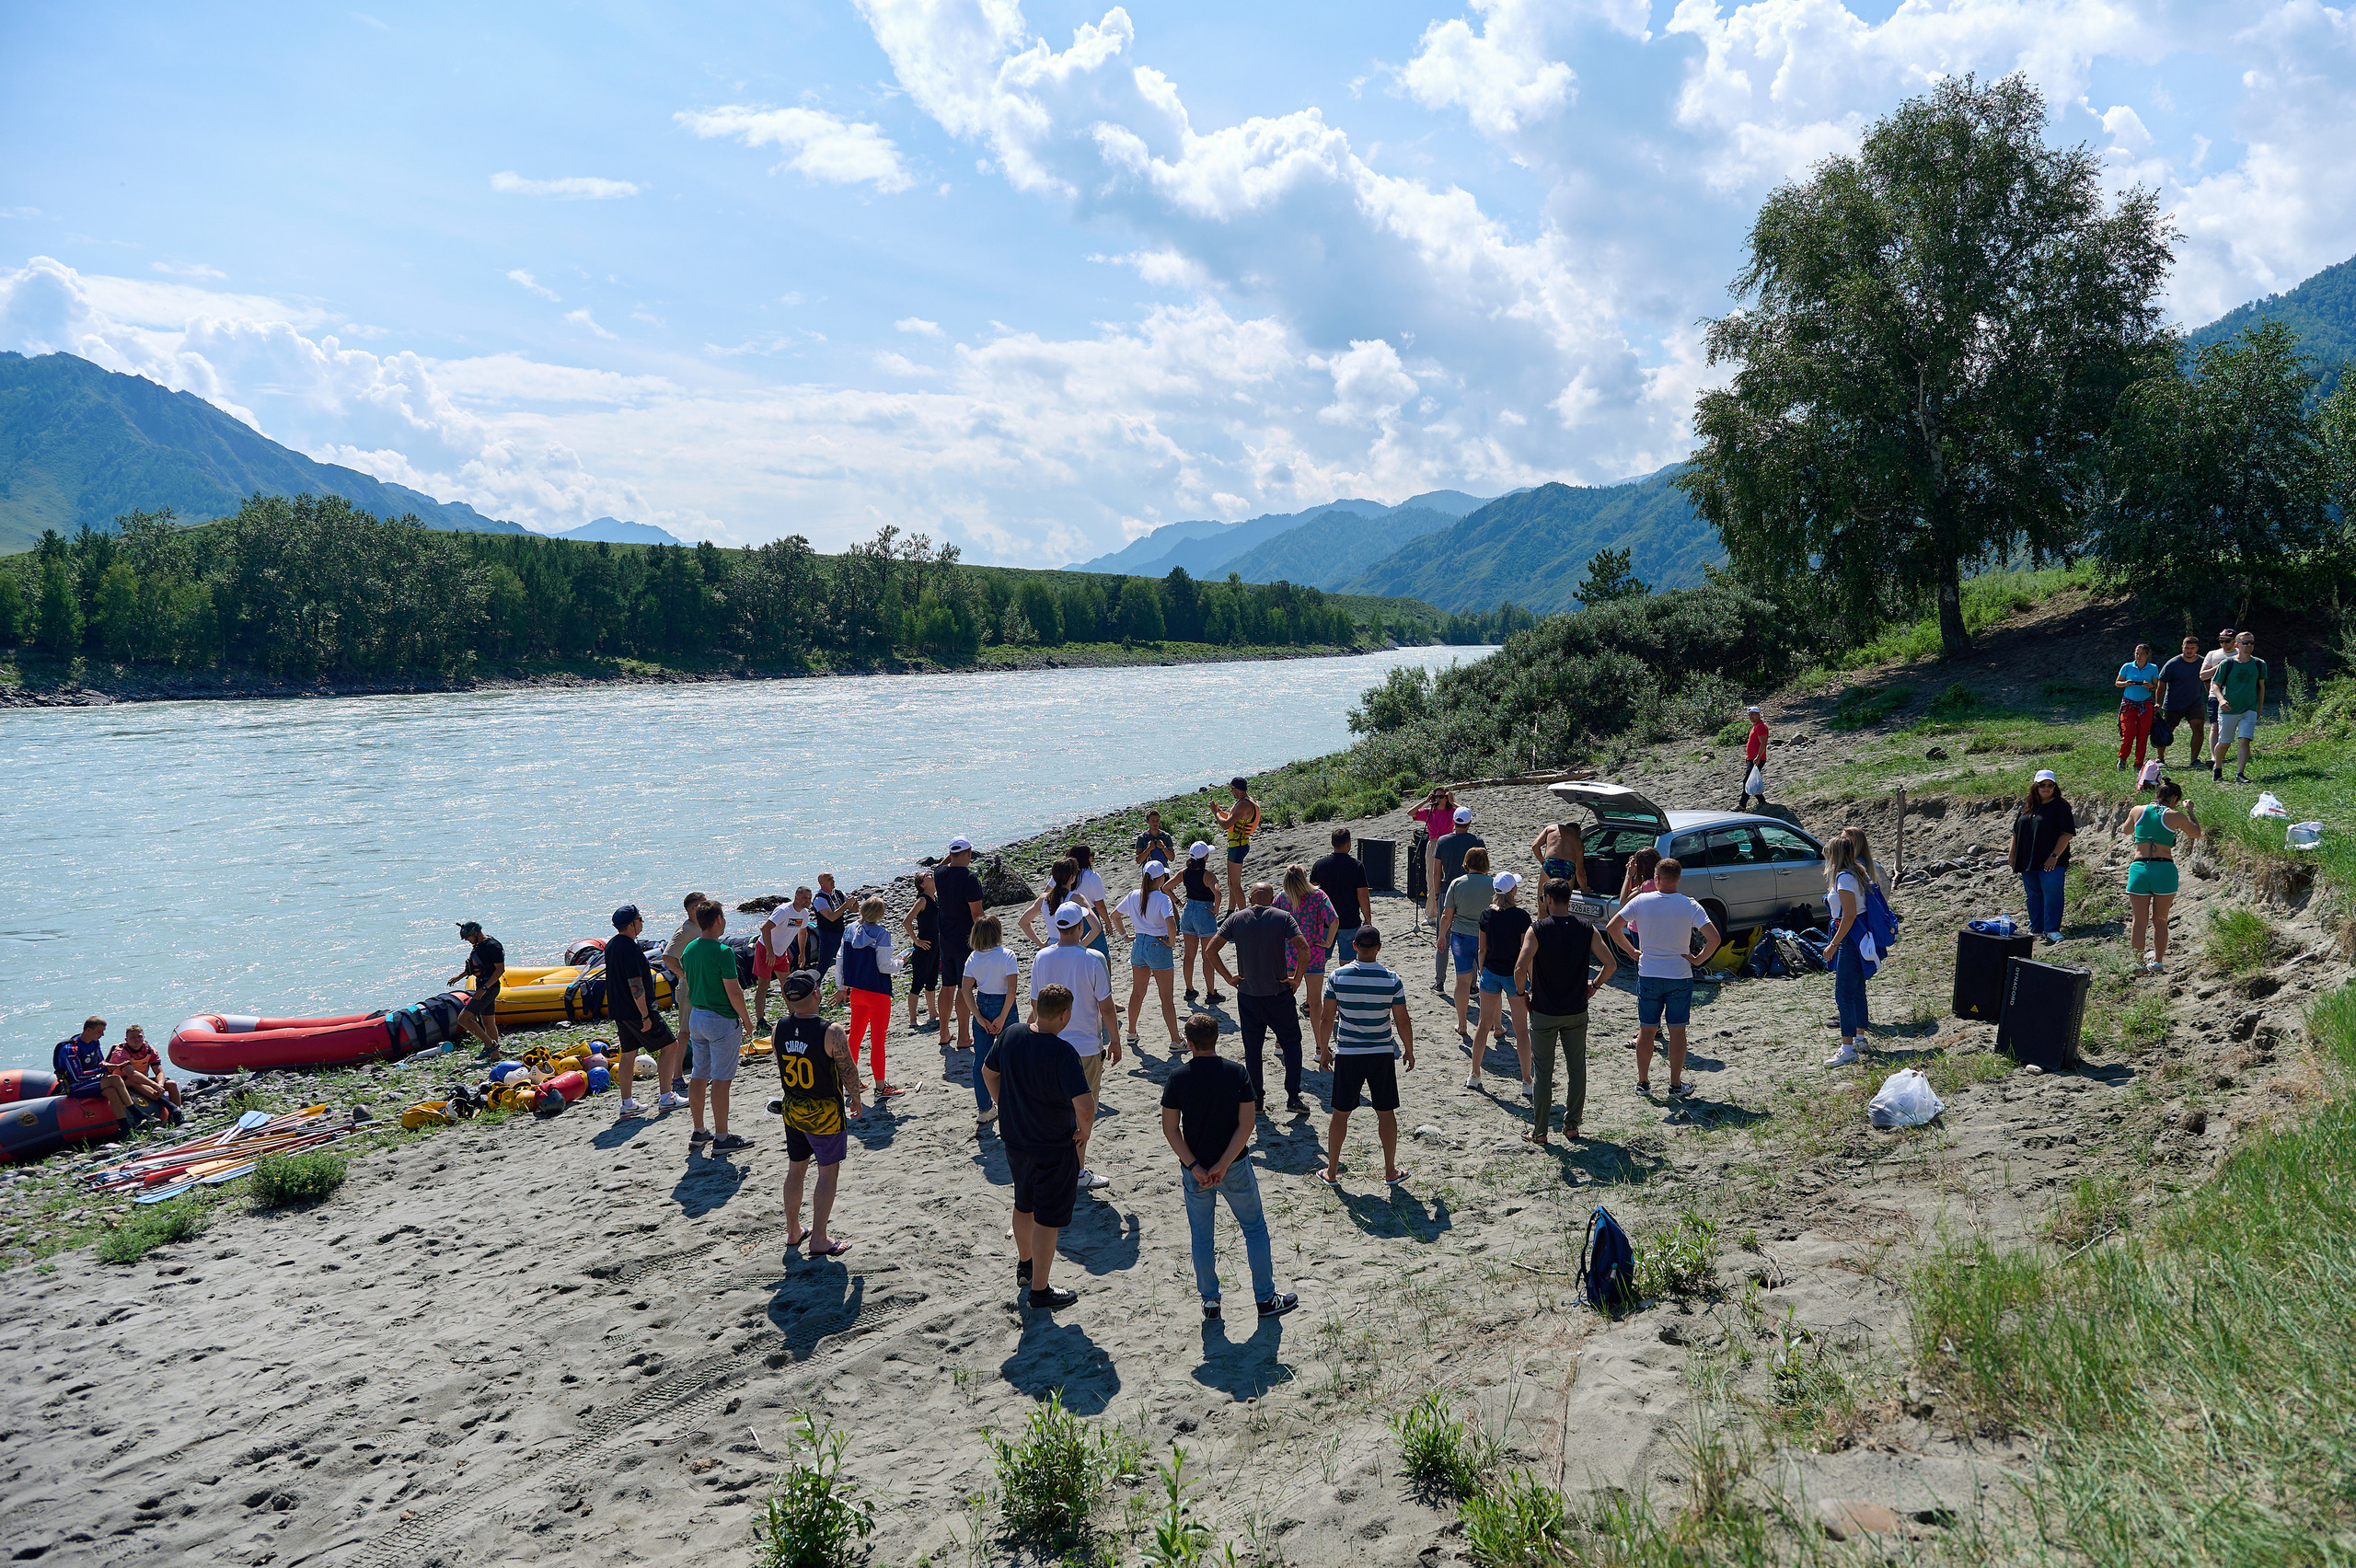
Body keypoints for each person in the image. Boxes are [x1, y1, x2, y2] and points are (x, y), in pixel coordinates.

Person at [1162, 1012, 1298, 1320]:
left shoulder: (1178, 1078)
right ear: (1217, 1038)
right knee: (1254, 1229)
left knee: (1202, 1235)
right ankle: (1265, 1299)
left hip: (1194, 1168)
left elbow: (1171, 1129)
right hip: (1234, 1165)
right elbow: (1246, 1124)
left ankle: (1210, 1302)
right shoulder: (1236, 1073)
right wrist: (1223, 1164)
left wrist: (1195, 1166)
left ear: (1189, 1043)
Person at [983, 985, 1092, 1312]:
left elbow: (989, 1073)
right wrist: (1082, 1133)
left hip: (1016, 1139)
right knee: (1048, 1217)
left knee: (1023, 1202)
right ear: (1063, 1014)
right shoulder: (1063, 1052)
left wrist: (1005, 1103)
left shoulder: (1012, 1035)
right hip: (1053, 1145)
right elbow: (1085, 1107)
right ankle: (1040, 1291)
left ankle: (1025, 1264)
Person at [1605, 859, 1718, 1098]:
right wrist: (1698, 959)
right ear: (1678, 879)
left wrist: (1630, 951)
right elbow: (1714, 938)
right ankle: (1675, 1085)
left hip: (1649, 973)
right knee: (1677, 1032)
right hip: (1679, 975)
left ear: (1656, 878)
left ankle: (1643, 1083)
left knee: (1647, 1031)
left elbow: (1612, 927)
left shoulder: (1641, 901)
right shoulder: (1690, 905)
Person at [1516, 879, 1614, 1144]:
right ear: (1568, 899)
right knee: (1576, 1068)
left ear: (1548, 899)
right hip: (1576, 1009)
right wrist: (1594, 985)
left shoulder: (1537, 930)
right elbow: (1610, 964)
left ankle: (1540, 1132)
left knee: (1543, 1072)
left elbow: (1519, 968)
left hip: (1545, 1011)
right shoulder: (1587, 929)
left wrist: (1522, 994)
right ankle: (1571, 1125)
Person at [1030, 903, 1120, 1191]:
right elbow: (1106, 1007)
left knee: (1055, 1109)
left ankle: (1057, 1167)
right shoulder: (1093, 958)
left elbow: (1035, 1004)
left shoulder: (1041, 957)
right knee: (1084, 1111)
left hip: (1048, 1044)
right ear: (1080, 926)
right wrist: (1115, 1040)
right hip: (1085, 1047)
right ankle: (1078, 1171)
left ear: (1058, 927)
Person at [772, 970, 860, 1261]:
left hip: (794, 1109)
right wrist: (856, 1097)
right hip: (824, 1114)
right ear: (817, 995)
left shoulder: (779, 1028)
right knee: (827, 1172)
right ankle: (820, 1238)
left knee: (796, 1168)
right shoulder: (831, 1031)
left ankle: (793, 1230)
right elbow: (847, 1070)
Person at [1315, 929, 1414, 1186]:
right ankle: (1390, 1171)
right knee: (1385, 1112)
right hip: (1380, 1053)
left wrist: (1323, 1048)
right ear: (1379, 947)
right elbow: (1402, 1021)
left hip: (1348, 1053)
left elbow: (1327, 1018)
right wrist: (1409, 1049)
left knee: (1340, 1114)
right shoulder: (1391, 979)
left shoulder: (1337, 977)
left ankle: (1332, 1171)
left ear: (1355, 945)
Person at [1204, 883, 1308, 1114]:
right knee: (1291, 1044)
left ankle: (1257, 1100)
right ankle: (1293, 1096)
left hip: (1249, 995)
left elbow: (1210, 951)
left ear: (1250, 898)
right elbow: (1304, 948)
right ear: (1272, 898)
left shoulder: (1235, 919)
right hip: (1278, 994)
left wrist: (1229, 977)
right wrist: (1297, 978)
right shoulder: (1283, 917)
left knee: (1253, 1050)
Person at [680, 902, 756, 1151]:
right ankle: (722, 1137)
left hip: (697, 1016)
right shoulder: (724, 951)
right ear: (718, 920)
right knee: (721, 1080)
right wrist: (746, 1019)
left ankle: (699, 1130)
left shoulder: (690, 949)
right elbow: (734, 992)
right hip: (720, 1019)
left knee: (699, 1074)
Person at [603, 905, 676, 1117]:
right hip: (636, 1010)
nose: (642, 922)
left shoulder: (612, 945)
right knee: (671, 1046)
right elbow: (636, 985)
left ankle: (627, 1103)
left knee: (628, 1053)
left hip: (619, 1010)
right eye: (640, 919)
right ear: (631, 925)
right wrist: (645, 1014)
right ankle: (666, 1097)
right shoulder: (630, 948)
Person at [2127, 778, 2202, 973]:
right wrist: (2190, 811)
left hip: (2140, 868)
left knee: (2139, 921)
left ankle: (2137, 962)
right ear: (2175, 798)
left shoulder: (2137, 810)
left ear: (2156, 795)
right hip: (2164, 870)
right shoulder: (2175, 815)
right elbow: (2196, 834)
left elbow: (2126, 829)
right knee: (2160, 920)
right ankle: (2158, 962)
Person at [1472, 871, 1533, 1095]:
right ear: (1512, 891)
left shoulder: (1486, 915)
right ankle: (1527, 1081)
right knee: (1520, 1030)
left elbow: (1482, 949)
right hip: (1513, 974)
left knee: (1483, 1024)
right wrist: (1531, 981)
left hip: (1490, 971)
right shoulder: (1521, 917)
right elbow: (1525, 953)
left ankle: (1475, 1074)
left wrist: (1482, 970)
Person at [839, 896, 907, 1099]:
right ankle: (880, 1088)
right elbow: (884, 966)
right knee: (878, 1041)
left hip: (856, 991)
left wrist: (842, 986)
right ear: (880, 914)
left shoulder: (850, 929)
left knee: (855, 1038)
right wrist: (901, 962)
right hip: (877, 992)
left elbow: (841, 960)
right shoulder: (882, 934)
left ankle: (850, 1083)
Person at [1114, 860, 1184, 1051]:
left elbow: (1115, 915)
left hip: (1139, 945)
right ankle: (1176, 1040)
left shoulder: (1134, 895)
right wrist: (1171, 941)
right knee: (1166, 996)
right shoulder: (1162, 899)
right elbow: (1171, 923)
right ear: (1160, 879)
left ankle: (1131, 1031)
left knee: (1137, 992)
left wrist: (1125, 936)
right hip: (1157, 946)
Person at [960, 915, 1020, 1129]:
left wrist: (978, 1016)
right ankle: (1012, 1104)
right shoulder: (1007, 955)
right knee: (1011, 1057)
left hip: (983, 1001)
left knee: (981, 1061)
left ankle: (985, 1109)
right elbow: (1012, 989)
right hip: (1004, 1004)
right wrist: (1003, 1016)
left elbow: (965, 990)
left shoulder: (973, 958)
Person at [1822, 838, 1875, 1067]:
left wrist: (1833, 944)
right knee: (1857, 990)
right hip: (1861, 936)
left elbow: (1849, 915)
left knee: (1843, 993)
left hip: (1850, 939)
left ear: (1835, 856)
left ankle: (1847, 1048)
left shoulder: (1844, 878)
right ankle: (1860, 1039)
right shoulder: (1860, 872)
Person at [933, 837, 988, 1055]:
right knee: (964, 988)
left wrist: (952, 855)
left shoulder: (940, 874)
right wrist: (987, 938)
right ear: (969, 853)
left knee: (946, 986)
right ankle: (964, 1037)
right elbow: (977, 913)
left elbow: (941, 865)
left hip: (945, 939)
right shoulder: (969, 878)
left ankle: (944, 1032)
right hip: (965, 940)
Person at [1275, 863, 1337, 1052]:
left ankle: (1280, 1042)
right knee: (1315, 1003)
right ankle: (1320, 1047)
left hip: (1288, 954)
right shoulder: (1318, 896)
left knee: (1284, 1000)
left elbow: (1273, 920)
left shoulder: (1281, 898)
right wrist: (1327, 942)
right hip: (1313, 955)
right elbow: (1334, 920)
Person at [2009, 770, 2076, 944]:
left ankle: (2052, 929)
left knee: (2052, 893)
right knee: (2033, 895)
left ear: (2055, 787)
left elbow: (2066, 834)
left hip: (2051, 861)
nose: (2046, 788)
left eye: (2050, 785)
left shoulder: (2060, 806)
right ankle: (2036, 929)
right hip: (2028, 860)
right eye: (2042, 785)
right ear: (2035, 787)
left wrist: (2054, 856)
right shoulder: (2027, 805)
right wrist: (2012, 854)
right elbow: (2016, 832)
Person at [1436, 846, 1496, 1040]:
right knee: (1490, 979)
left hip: (1460, 936)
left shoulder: (1457, 883)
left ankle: (1462, 1024)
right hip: (1485, 937)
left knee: (1462, 981)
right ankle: (1497, 1024)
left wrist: (1442, 935)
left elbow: (1447, 915)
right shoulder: (1493, 884)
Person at [1427, 808, 1485, 995]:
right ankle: (1472, 985)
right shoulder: (1477, 841)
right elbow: (1484, 867)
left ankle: (1439, 982)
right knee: (1473, 936)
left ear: (1453, 822)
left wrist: (1437, 895)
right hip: (1472, 890)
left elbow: (1437, 871)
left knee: (1443, 936)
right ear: (1469, 823)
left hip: (1448, 890)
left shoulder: (1443, 841)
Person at [655, 892, 702, 1109]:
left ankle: (702, 1069)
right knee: (685, 1032)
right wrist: (683, 974)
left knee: (702, 1027)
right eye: (702, 905)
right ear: (693, 909)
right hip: (688, 987)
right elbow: (667, 956)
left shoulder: (702, 926)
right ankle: (676, 1076)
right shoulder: (685, 930)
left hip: (703, 985)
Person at [2210, 630, 2267, 785]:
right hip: (2228, 710)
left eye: (2251, 643)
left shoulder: (2259, 664)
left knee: (2244, 741)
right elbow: (2216, 685)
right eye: (2245, 643)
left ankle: (2240, 773)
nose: (2249, 645)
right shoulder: (2227, 664)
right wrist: (2221, 700)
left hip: (2249, 709)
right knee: (2224, 742)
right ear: (2237, 645)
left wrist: (2259, 708)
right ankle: (2218, 767)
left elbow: (2261, 688)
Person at [52, 1018, 135, 1123]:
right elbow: (78, 1077)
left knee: (111, 1092)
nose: (102, 1035)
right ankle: (137, 1113)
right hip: (75, 1087)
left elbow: (101, 1062)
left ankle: (125, 1129)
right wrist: (103, 1070)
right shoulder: (70, 1049)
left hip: (89, 1082)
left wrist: (110, 1065)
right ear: (88, 1030)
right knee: (115, 1079)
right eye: (99, 1032)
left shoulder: (94, 1043)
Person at [1311, 828, 1372, 964]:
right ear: (1349, 844)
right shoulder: (1356, 866)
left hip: (1324, 922)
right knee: (1348, 962)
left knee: (1320, 961)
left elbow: (1312, 895)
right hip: (1349, 921)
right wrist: (1367, 918)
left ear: (1332, 843)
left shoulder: (1319, 865)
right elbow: (1363, 896)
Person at [755, 890, 814, 1030]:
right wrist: (769, 952)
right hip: (765, 948)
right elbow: (765, 929)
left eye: (809, 898)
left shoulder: (804, 913)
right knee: (763, 985)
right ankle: (760, 1020)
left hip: (781, 952)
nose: (807, 901)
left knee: (787, 984)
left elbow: (802, 932)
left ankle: (793, 1014)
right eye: (804, 898)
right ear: (796, 897)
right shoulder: (783, 911)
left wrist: (802, 953)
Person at [448, 920, 506, 1053]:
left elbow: (500, 970)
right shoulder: (479, 945)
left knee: (463, 1019)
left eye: (468, 937)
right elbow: (476, 965)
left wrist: (484, 989)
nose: (467, 940)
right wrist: (460, 976)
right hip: (482, 985)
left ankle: (489, 1045)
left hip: (489, 988)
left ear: (475, 933)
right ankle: (495, 1055)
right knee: (488, 1023)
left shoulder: (492, 946)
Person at [1178, 842, 1225, 1005]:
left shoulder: (1184, 872)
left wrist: (1178, 902)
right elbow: (1217, 893)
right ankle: (1211, 992)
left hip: (1189, 910)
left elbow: (1166, 887)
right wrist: (1216, 909)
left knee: (1189, 955)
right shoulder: (1208, 875)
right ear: (1205, 857)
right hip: (1204, 912)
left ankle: (1189, 989)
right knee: (1207, 956)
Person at [1018, 858, 1099, 951]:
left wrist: (1041, 944)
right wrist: (1081, 946)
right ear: (1072, 878)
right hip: (1072, 945)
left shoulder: (1044, 898)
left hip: (1051, 946)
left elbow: (1023, 922)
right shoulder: (1077, 899)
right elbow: (1096, 927)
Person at [2153, 635, 2208, 771]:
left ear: (2197, 649)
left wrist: (2214, 698)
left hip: (2195, 703)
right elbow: (2162, 683)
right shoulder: (2172, 664)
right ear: (2182, 647)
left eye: (2192, 648)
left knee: (2199, 727)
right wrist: (2158, 703)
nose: (2189, 651)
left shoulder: (2203, 663)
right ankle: (2160, 758)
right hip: (2173, 704)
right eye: (2187, 648)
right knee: (2166, 730)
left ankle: (2194, 760)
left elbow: (2208, 681)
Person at [106, 1024, 180, 1116]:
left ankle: (177, 1114)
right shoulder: (120, 1052)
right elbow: (131, 1074)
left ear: (143, 1037)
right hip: (122, 1082)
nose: (137, 1040)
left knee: (171, 1084)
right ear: (126, 1040)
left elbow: (159, 1071)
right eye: (132, 1037)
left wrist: (160, 1085)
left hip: (142, 1080)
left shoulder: (149, 1050)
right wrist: (155, 1086)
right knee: (133, 1081)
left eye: (139, 1036)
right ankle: (170, 1107)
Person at [1211, 776, 1262, 907]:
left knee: (1235, 885)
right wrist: (1218, 811)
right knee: (1231, 882)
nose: (1231, 792)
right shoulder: (1245, 801)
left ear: (1236, 789)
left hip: (1238, 846)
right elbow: (1231, 818)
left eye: (1231, 789)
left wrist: (1215, 813)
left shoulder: (1244, 804)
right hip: (1238, 845)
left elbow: (1225, 824)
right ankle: (1230, 911)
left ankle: (1243, 913)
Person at [900, 871, 941, 1035]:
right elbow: (906, 921)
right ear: (922, 884)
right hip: (923, 948)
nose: (931, 875)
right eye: (927, 876)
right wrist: (916, 941)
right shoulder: (922, 900)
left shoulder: (935, 899)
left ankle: (933, 1014)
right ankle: (912, 1019)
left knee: (932, 982)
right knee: (917, 983)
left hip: (935, 947)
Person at [2116, 641, 2161, 772]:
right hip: (2129, 704)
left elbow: (2156, 686)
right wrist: (2126, 683)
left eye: (2142, 654)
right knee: (2129, 732)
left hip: (2145, 704)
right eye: (2137, 653)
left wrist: (2150, 686)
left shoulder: (2153, 668)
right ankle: (2123, 759)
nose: (2138, 656)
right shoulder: (2127, 667)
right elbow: (2117, 683)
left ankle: (2138, 764)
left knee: (2143, 734)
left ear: (2147, 655)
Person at [1069, 844, 1114, 969]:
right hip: (1090, 915)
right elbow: (1099, 904)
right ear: (1086, 858)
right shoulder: (1092, 876)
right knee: (1102, 955)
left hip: (1070, 916)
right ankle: (1106, 985)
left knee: (1078, 955)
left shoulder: (1067, 875)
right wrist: (1107, 922)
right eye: (1092, 855)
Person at [810, 873, 849, 993]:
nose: (832, 881)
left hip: (840, 932)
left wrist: (853, 903)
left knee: (847, 959)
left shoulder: (838, 893)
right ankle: (813, 988)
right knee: (824, 963)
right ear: (821, 883)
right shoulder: (819, 899)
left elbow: (853, 909)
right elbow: (831, 917)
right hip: (827, 935)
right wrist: (846, 906)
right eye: (829, 880)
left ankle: (846, 987)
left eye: (832, 879)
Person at [2199, 627, 2236, 755]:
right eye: (2221, 641)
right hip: (2215, 695)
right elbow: (2202, 675)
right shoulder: (2212, 654)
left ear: (2234, 641)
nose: (2224, 644)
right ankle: (2214, 757)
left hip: (2235, 695)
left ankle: (2224, 753)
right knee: (2214, 726)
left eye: (2227, 641)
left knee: (2229, 727)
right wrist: (2219, 667)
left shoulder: (2240, 654)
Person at [1528, 819, 1588, 894]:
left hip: (1551, 863)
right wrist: (1585, 889)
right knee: (1563, 903)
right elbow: (1580, 872)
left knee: (1543, 902)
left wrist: (1543, 862)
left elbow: (1535, 846)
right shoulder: (1578, 841)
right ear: (1578, 831)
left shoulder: (1551, 828)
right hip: (1567, 867)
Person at [1738, 704, 1770, 810]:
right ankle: (1762, 801)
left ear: (1758, 714)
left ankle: (1742, 805)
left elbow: (1763, 743)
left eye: (1752, 715)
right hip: (1752, 758)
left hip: (1757, 759)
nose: (1750, 717)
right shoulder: (1756, 726)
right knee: (1751, 781)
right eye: (1749, 715)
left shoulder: (1760, 726)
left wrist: (1758, 757)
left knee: (1747, 781)